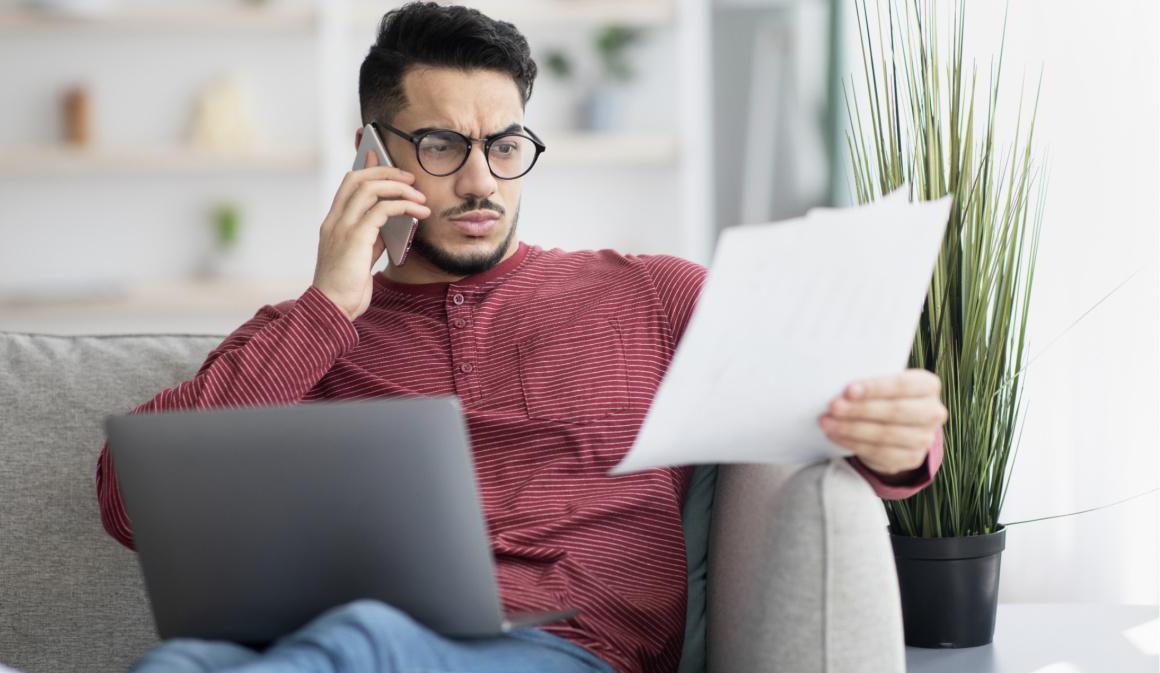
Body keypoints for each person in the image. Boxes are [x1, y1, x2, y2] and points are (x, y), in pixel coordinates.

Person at [96, 3, 947, 672]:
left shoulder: (651, 294)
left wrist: (901, 442)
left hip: (567, 650)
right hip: (344, 647)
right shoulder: (311, 332)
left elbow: (824, 394)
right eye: (441, 145)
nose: (481, 181)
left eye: (504, 145)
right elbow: (129, 505)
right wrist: (328, 306)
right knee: (182, 662)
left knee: (360, 639)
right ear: (369, 156)